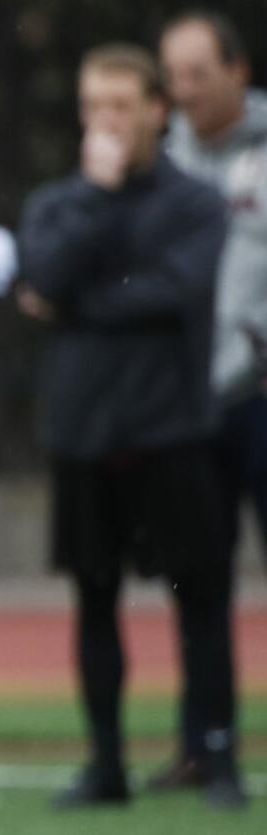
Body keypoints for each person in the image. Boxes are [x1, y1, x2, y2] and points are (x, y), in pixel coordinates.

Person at [17, 43, 244, 810]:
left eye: (120, 107)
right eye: (92, 108)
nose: (105, 123)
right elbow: (41, 274)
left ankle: (216, 758)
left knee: (202, 600)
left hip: (174, 431)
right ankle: (107, 764)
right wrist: (95, 198)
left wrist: (79, 301)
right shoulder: (61, 200)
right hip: (85, 433)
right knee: (94, 597)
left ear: (157, 112)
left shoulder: (197, 202)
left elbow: (174, 294)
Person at [156, 10, 267, 794]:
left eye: (199, 74)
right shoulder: (162, 160)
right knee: (198, 582)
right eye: (174, 76)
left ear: (240, 71)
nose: (183, 91)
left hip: (260, 396)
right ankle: (207, 746)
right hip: (192, 405)